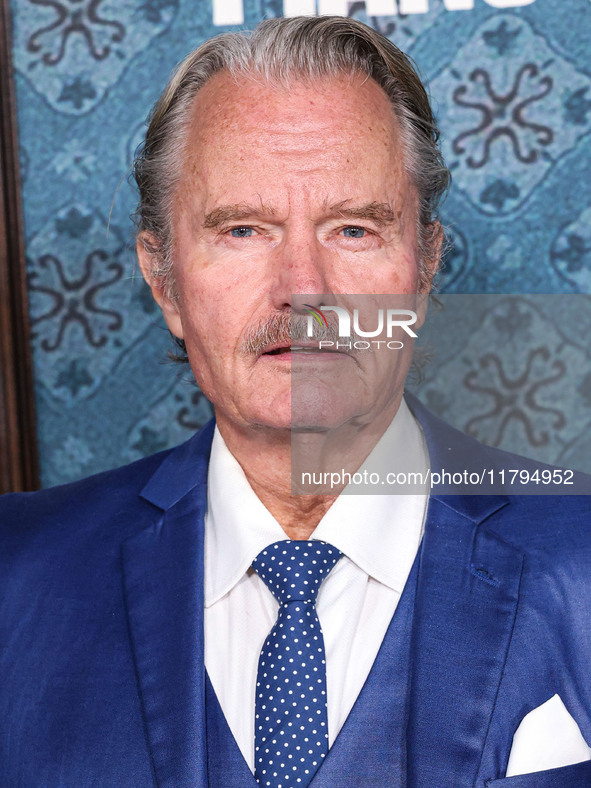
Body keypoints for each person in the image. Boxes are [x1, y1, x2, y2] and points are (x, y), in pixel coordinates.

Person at [1, 15, 591, 788]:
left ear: (424, 263)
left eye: (353, 229)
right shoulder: (16, 573)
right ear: (163, 277)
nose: (304, 289)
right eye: (243, 229)